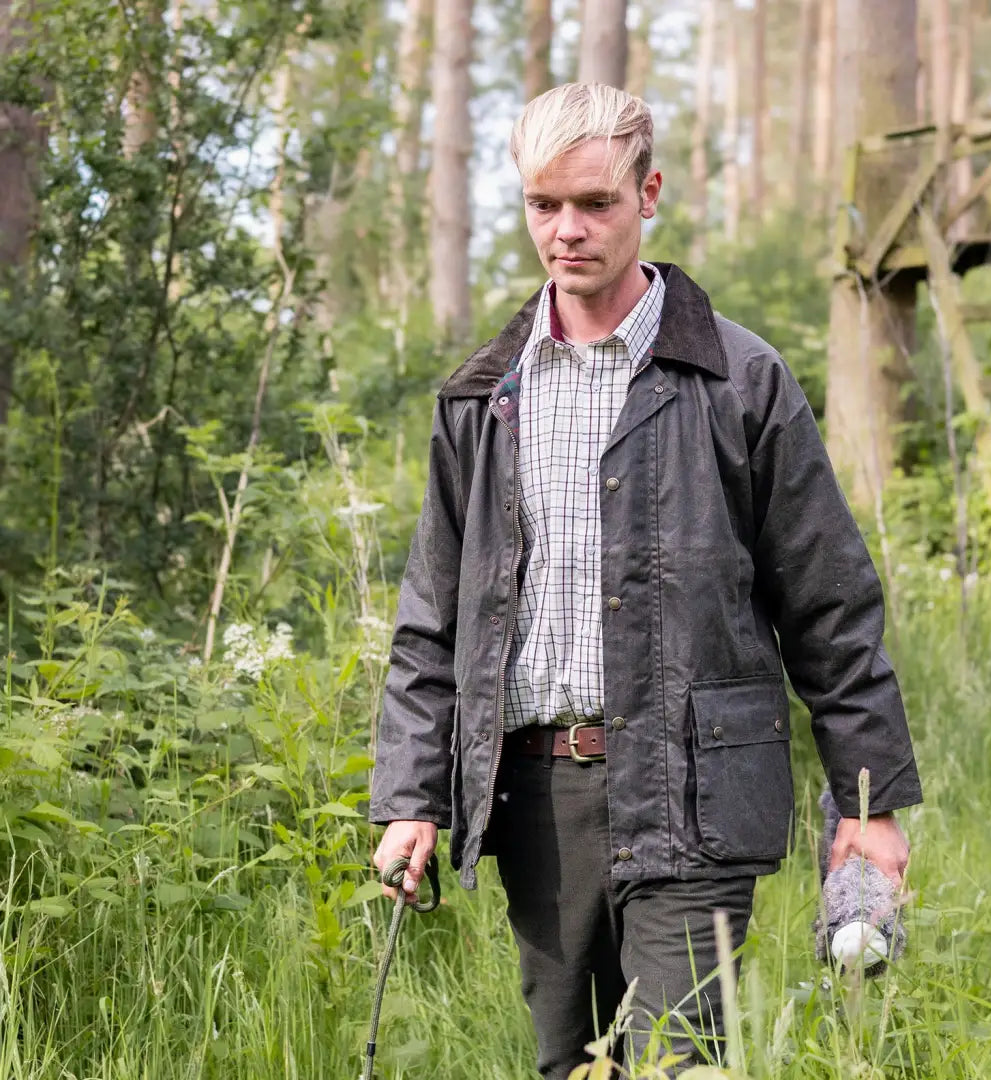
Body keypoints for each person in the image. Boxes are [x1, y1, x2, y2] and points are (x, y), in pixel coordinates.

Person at [369, 82, 922, 1078]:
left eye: (596, 203)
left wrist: (870, 803)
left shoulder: (739, 382)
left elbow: (832, 607)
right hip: (534, 797)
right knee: (570, 1066)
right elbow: (431, 622)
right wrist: (412, 799)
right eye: (545, 206)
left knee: (675, 1064)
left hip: (694, 790)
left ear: (649, 193)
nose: (567, 230)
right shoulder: (482, 397)